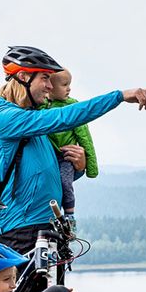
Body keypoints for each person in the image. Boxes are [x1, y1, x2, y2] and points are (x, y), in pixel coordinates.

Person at [0, 45, 146, 253]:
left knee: (56, 288)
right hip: (23, 229)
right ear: (23, 77)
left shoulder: (31, 121)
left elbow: (41, 176)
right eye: (44, 78)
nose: (49, 86)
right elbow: (64, 117)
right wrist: (118, 96)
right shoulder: (5, 118)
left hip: (48, 228)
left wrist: (79, 167)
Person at [41, 68, 97, 226]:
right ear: (50, 87)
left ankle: (69, 215)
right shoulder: (40, 108)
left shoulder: (72, 107)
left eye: (69, 84)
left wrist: (90, 168)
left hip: (66, 157)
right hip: (50, 156)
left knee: (65, 182)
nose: (69, 88)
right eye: (64, 84)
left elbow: (85, 138)